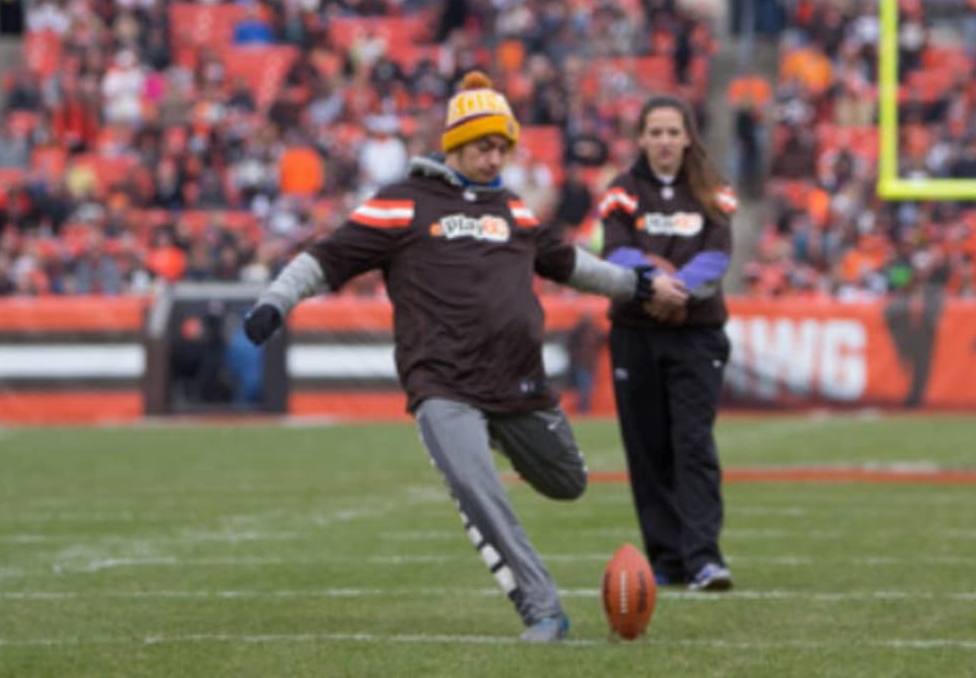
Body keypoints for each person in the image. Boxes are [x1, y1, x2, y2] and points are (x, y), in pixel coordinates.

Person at [242, 72, 689, 642]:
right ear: (455, 143)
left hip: (518, 380)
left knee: (569, 481)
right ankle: (542, 608)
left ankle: (492, 436)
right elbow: (325, 259)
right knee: (481, 492)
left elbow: (573, 264)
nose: (495, 155)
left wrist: (641, 288)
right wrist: (274, 303)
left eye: (503, 145)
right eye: (485, 144)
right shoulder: (402, 204)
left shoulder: (512, 209)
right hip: (443, 383)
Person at [600, 95, 738, 592]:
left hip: (696, 333)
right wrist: (648, 281)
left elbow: (718, 254)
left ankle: (704, 556)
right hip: (636, 333)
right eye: (654, 132)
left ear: (687, 137)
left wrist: (674, 289)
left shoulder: (712, 190)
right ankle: (665, 558)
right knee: (646, 447)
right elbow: (613, 248)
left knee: (693, 444)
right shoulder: (622, 190)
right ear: (641, 138)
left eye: (672, 132)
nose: (663, 142)